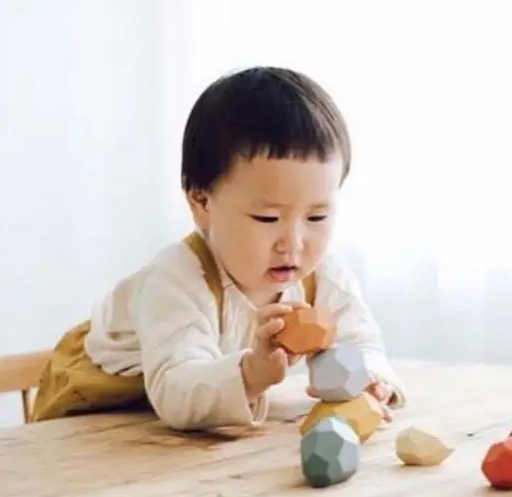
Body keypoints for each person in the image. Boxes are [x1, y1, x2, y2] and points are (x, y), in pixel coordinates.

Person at [31, 66, 406, 429]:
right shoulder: (175, 278)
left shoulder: (323, 277)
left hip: (165, 423)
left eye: (317, 217)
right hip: (98, 408)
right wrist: (252, 373)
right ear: (201, 202)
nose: (294, 243)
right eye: (267, 218)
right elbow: (177, 390)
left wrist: (371, 379)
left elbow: (361, 341)